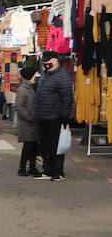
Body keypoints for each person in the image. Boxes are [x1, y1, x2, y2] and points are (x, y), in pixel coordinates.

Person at [33, 51, 74, 181]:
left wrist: (65, 116)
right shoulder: (44, 75)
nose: (46, 64)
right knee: (45, 147)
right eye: (45, 61)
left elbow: (68, 98)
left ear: (57, 60)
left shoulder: (63, 76)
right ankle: (47, 170)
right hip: (42, 117)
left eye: (49, 61)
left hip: (56, 117)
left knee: (56, 146)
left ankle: (58, 172)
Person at [13, 65, 40, 176]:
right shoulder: (23, 89)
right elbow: (18, 106)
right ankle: (22, 167)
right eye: (36, 74)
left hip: (34, 122)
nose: (37, 76)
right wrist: (29, 117)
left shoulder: (33, 87)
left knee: (34, 146)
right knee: (28, 146)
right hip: (27, 123)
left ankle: (32, 167)